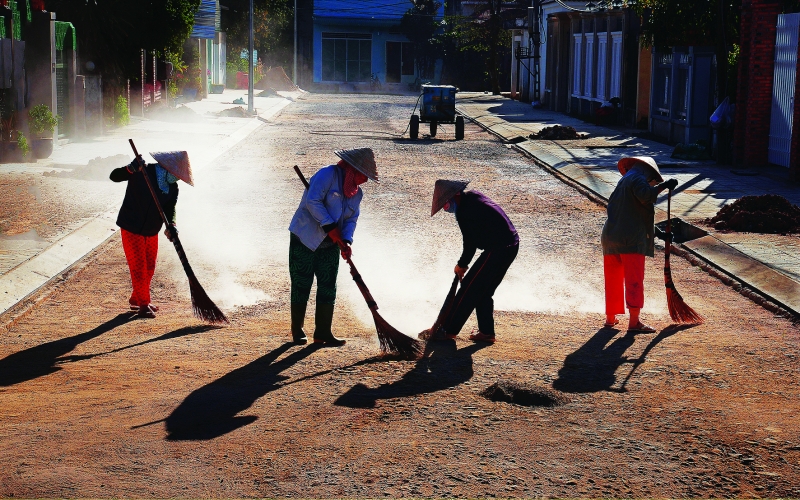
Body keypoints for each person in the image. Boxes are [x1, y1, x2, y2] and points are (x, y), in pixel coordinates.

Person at [288, 148, 378, 346]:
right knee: (301, 283)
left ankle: (323, 332)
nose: (365, 180)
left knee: (328, 285)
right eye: (364, 175)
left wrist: (346, 240)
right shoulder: (327, 175)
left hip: (330, 245)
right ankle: (297, 330)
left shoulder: (357, 193)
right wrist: (329, 226)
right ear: (353, 169)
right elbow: (312, 201)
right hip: (305, 237)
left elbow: (352, 219)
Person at [430, 180, 519, 344]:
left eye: (446, 202)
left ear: (455, 195)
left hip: (499, 248)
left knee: (468, 289)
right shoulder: (473, 197)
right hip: (511, 244)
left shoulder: (464, 211)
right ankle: (486, 332)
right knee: (483, 291)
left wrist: (461, 265)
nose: (445, 207)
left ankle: (448, 330)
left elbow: (470, 244)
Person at [602, 156, 678, 332]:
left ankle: (610, 318)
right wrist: (664, 186)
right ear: (649, 174)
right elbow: (646, 196)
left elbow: (631, 214)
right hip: (630, 240)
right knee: (634, 279)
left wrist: (658, 233)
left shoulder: (624, 181)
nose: (652, 184)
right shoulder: (637, 179)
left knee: (613, 279)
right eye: (652, 182)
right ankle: (634, 322)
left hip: (611, 237)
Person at [110, 153, 190, 318]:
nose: (178, 178)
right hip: (131, 226)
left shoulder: (172, 187)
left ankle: (136, 298)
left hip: (151, 230)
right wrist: (130, 169)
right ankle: (144, 304)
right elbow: (114, 176)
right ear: (168, 168)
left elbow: (170, 208)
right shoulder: (142, 170)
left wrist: (172, 225)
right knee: (138, 267)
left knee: (150, 267)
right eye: (177, 174)